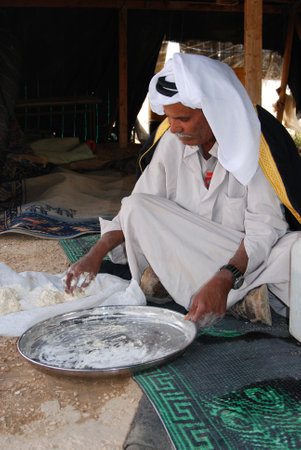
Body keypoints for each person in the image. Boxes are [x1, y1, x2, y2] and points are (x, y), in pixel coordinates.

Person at [64, 53, 301, 327]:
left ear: (215, 111)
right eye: (169, 118)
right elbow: (138, 207)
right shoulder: (172, 141)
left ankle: (193, 286)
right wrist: (94, 255)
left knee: (295, 250)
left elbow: (264, 229)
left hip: (241, 255)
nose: (174, 128)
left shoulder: (254, 145)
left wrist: (226, 277)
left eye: (183, 119)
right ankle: (243, 299)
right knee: (137, 207)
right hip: (187, 245)